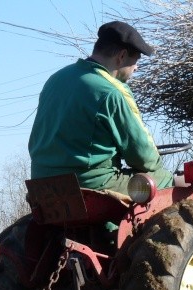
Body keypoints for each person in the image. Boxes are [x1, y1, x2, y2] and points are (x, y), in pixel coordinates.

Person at [28, 21, 173, 194]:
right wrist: (154, 158)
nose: (136, 68)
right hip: (89, 185)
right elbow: (143, 157)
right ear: (121, 56)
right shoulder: (110, 92)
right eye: (135, 61)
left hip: (42, 185)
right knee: (165, 179)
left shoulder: (56, 79)